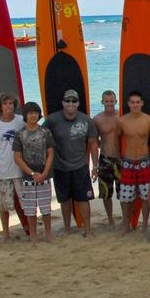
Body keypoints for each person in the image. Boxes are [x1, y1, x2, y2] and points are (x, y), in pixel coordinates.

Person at [43, 89, 99, 237]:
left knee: (83, 198)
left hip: (80, 167)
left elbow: (93, 143)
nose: (70, 104)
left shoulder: (86, 120)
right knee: (64, 199)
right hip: (59, 166)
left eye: (74, 101)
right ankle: (67, 229)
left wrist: (95, 166)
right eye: (67, 101)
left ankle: (88, 230)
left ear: (78, 103)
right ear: (63, 103)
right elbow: (40, 137)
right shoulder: (52, 120)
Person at [12, 102, 55, 244]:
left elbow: (50, 153)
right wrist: (32, 173)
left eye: (36, 113)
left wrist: (44, 173)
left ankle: (48, 234)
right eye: (30, 113)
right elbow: (17, 158)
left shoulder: (45, 132)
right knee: (30, 209)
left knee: (46, 208)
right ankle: (33, 235)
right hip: (27, 177)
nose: (33, 115)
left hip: (44, 175)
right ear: (26, 115)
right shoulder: (20, 134)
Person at [0, 92, 25, 241]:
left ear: (14, 105)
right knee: (4, 206)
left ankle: (29, 229)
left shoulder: (21, 120)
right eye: (5, 103)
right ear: (0, 106)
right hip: (3, 172)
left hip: (21, 170)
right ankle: (6, 233)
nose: (8, 106)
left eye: (11, 103)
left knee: (26, 203)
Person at [116, 91, 150, 233]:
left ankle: (145, 224)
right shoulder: (122, 121)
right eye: (132, 102)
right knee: (126, 197)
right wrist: (118, 157)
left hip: (144, 161)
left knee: (146, 196)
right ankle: (126, 225)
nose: (135, 105)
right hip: (128, 162)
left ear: (142, 103)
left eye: (137, 102)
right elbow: (116, 139)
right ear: (128, 104)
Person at [92, 90, 120, 226]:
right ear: (102, 102)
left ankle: (125, 218)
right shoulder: (97, 119)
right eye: (106, 101)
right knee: (106, 192)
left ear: (116, 101)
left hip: (120, 159)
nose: (109, 104)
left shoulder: (122, 116)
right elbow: (93, 140)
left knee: (124, 191)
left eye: (111, 101)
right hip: (105, 159)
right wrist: (94, 166)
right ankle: (110, 219)